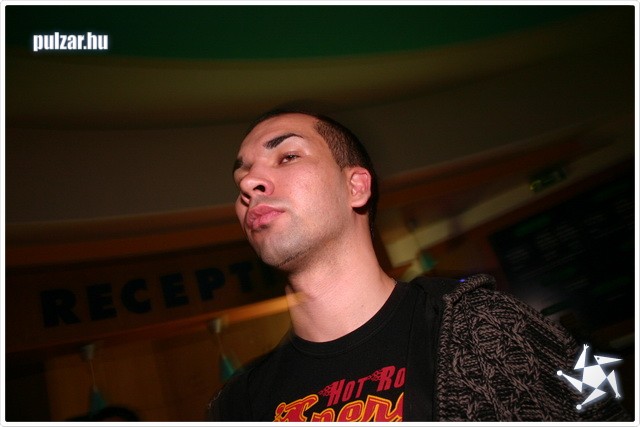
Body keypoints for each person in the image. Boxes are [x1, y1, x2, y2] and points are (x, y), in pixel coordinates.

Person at [207, 108, 629, 421]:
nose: (248, 183)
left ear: (356, 187)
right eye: (241, 176)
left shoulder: (490, 328)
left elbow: (603, 408)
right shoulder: (239, 405)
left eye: (287, 157)